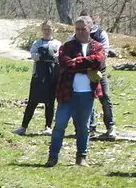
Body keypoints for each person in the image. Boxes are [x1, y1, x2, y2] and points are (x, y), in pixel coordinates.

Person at [45, 15, 105, 168]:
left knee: (83, 127)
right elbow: (65, 64)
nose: (80, 32)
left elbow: (98, 62)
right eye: (77, 29)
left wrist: (76, 62)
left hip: (87, 93)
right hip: (67, 92)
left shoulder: (97, 46)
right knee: (60, 125)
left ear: (90, 29)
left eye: (83, 29)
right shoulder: (67, 46)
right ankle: (53, 156)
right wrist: (87, 66)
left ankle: (81, 157)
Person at [14, 20, 60, 135]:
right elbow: (33, 55)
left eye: (49, 29)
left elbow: (60, 56)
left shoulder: (57, 43)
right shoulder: (37, 43)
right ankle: (23, 126)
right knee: (33, 100)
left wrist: (52, 56)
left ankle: (48, 126)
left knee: (50, 101)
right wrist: (41, 56)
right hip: (39, 75)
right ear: (42, 30)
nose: (47, 31)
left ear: (53, 30)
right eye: (45, 29)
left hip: (52, 74)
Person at [81, 10, 116, 140]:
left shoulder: (101, 33)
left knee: (105, 97)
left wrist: (89, 61)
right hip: (84, 71)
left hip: (100, 71)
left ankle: (110, 126)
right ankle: (90, 127)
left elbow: (104, 53)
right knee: (87, 98)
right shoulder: (77, 34)